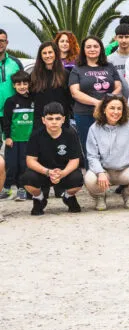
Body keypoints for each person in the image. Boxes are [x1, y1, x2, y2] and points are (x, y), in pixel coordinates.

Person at [20, 102, 85, 215]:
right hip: (43, 172)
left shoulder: (71, 134)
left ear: (63, 119)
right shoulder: (36, 135)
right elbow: (30, 161)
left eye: (57, 118)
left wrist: (63, 173)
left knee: (78, 179)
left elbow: (75, 160)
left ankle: (68, 196)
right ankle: (39, 199)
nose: (54, 122)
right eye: (50, 118)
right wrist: (48, 172)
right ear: (43, 120)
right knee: (27, 178)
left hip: (63, 172)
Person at [69, 36, 122, 153]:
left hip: (109, 114)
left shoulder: (109, 66)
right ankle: (91, 171)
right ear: (83, 50)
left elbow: (118, 86)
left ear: (101, 49)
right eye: (88, 47)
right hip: (84, 114)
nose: (92, 49)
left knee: (109, 147)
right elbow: (75, 92)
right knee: (89, 148)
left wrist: (108, 101)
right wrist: (97, 102)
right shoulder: (77, 69)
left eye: (95, 46)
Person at [1, 71, 33, 201]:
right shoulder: (10, 101)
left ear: (29, 84)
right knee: (12, 165)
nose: (22, 86)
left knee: (24, 165)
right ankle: (7, 188)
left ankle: (22, 190)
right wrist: (7, 137)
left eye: (25, 83)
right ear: (14, 86)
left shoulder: (33, 100)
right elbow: (6, 122)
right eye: (18, 84)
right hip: (13, 140)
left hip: (28, 140)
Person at [29, 41, 72, 124]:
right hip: (40, 120)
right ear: (40, 56)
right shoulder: (34, 75)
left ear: (55, 53)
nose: (48, 55)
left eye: (50, 52)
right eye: (44, 53)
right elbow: (30, 97)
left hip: (61, 120)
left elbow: (70, 98)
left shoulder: (65, 74)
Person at [0, 30, 23, 133]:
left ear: (7, 42)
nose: (0, 43)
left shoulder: (16, 63)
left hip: (13, 112)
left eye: (2, 40)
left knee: (12, 145)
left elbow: (24, 85)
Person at [106, 23, 129, 99]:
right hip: (118, 103)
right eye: (120, 37)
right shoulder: (109, 59)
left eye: (127, 37)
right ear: (115, 38)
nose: (123, 40)